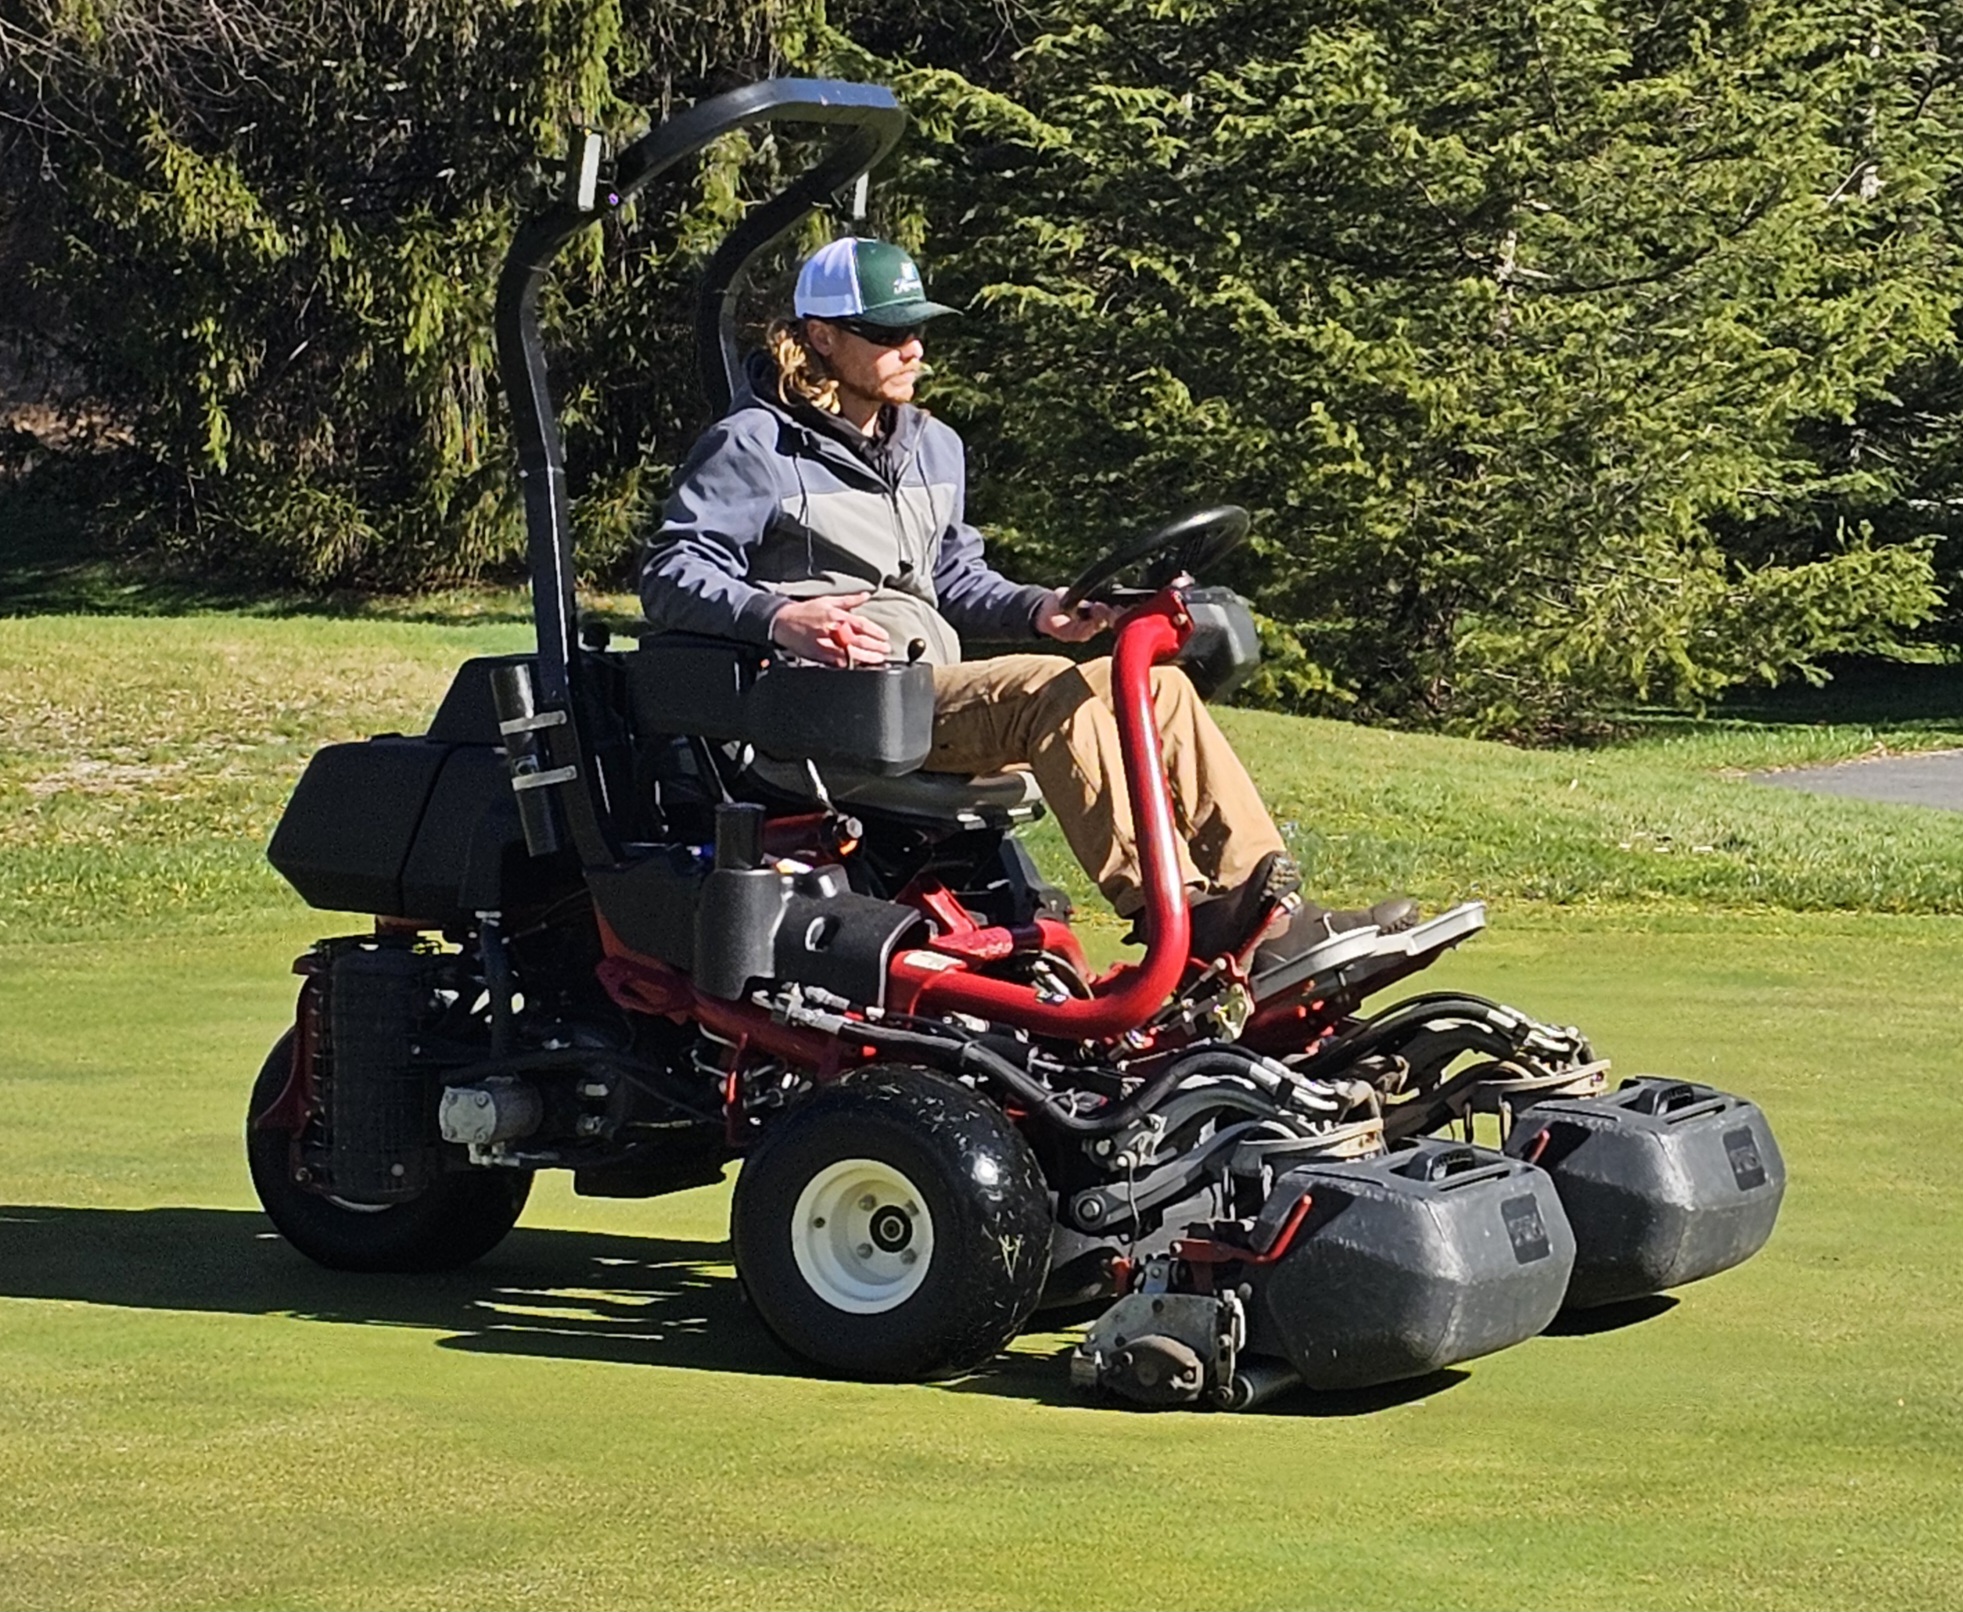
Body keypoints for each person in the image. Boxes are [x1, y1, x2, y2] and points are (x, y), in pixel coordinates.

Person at [640, 236, 1413, 968]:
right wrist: (780, 617)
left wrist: (1043, 610)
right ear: (820, 337)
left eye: (916, 330)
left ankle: (1268, 913)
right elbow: (672, 571)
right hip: (831, 706)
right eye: (888, 334)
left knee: (1157, 688)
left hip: (926, 694)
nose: (914, 350)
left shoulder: (930, 444)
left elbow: (958, 579)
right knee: (1050, 694)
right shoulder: (754, 445)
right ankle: (1171, 909)